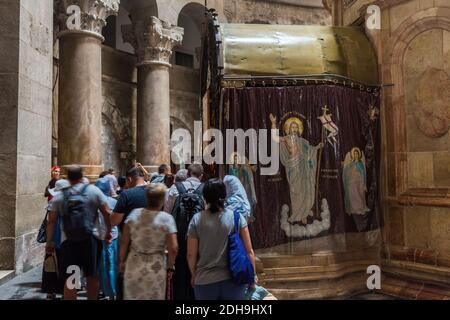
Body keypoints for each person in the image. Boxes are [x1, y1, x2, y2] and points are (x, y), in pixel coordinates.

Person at [45, 166, 113, 300]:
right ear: (82, 176)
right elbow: (107, 212)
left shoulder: (60, 196)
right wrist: (108, 232)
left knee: (72, 279)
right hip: (91, 241)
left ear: (68, 178)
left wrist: (49, 241)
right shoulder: (93, 191)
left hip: (69, 242)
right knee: (92, 276)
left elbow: (51, 221)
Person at [187, 178, 256, 300]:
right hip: (234, 280)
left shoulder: (196, 220)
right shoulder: (237, 217)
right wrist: (252, 276)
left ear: (205, 197)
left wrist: (194, 275)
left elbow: (191, 254)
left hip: (204, 282)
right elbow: (249, 250)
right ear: (224, 195)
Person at [119, 183, 178, 300]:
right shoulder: (166, 219)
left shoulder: (134, 214)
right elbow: (173, 248)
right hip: (156, 266)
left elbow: (124, 242)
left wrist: (121, 261)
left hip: (134, 263)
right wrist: (170, 266)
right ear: (162, 199)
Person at [111, 166, 149, 300]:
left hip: (131, 245)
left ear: (129, 179)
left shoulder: (127, 194)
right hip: (154, 246)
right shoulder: (156, 193)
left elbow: (115, 221)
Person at [41, 178, 70, 300]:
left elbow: (50, 223)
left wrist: (49, 241)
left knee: (52, 266)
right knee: (70, 267)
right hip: (71, 241)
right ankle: (67, 292)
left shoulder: (53, 202)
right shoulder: (74, 201)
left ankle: (51, 291)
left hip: (56, 239)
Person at [95, 178, 119, 300]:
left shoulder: (94, 202)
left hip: (99, 237)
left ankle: (104, 290)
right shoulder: (113, 202)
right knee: (112, 264)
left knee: (102, 265)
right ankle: (113, 292)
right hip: (112, 236)